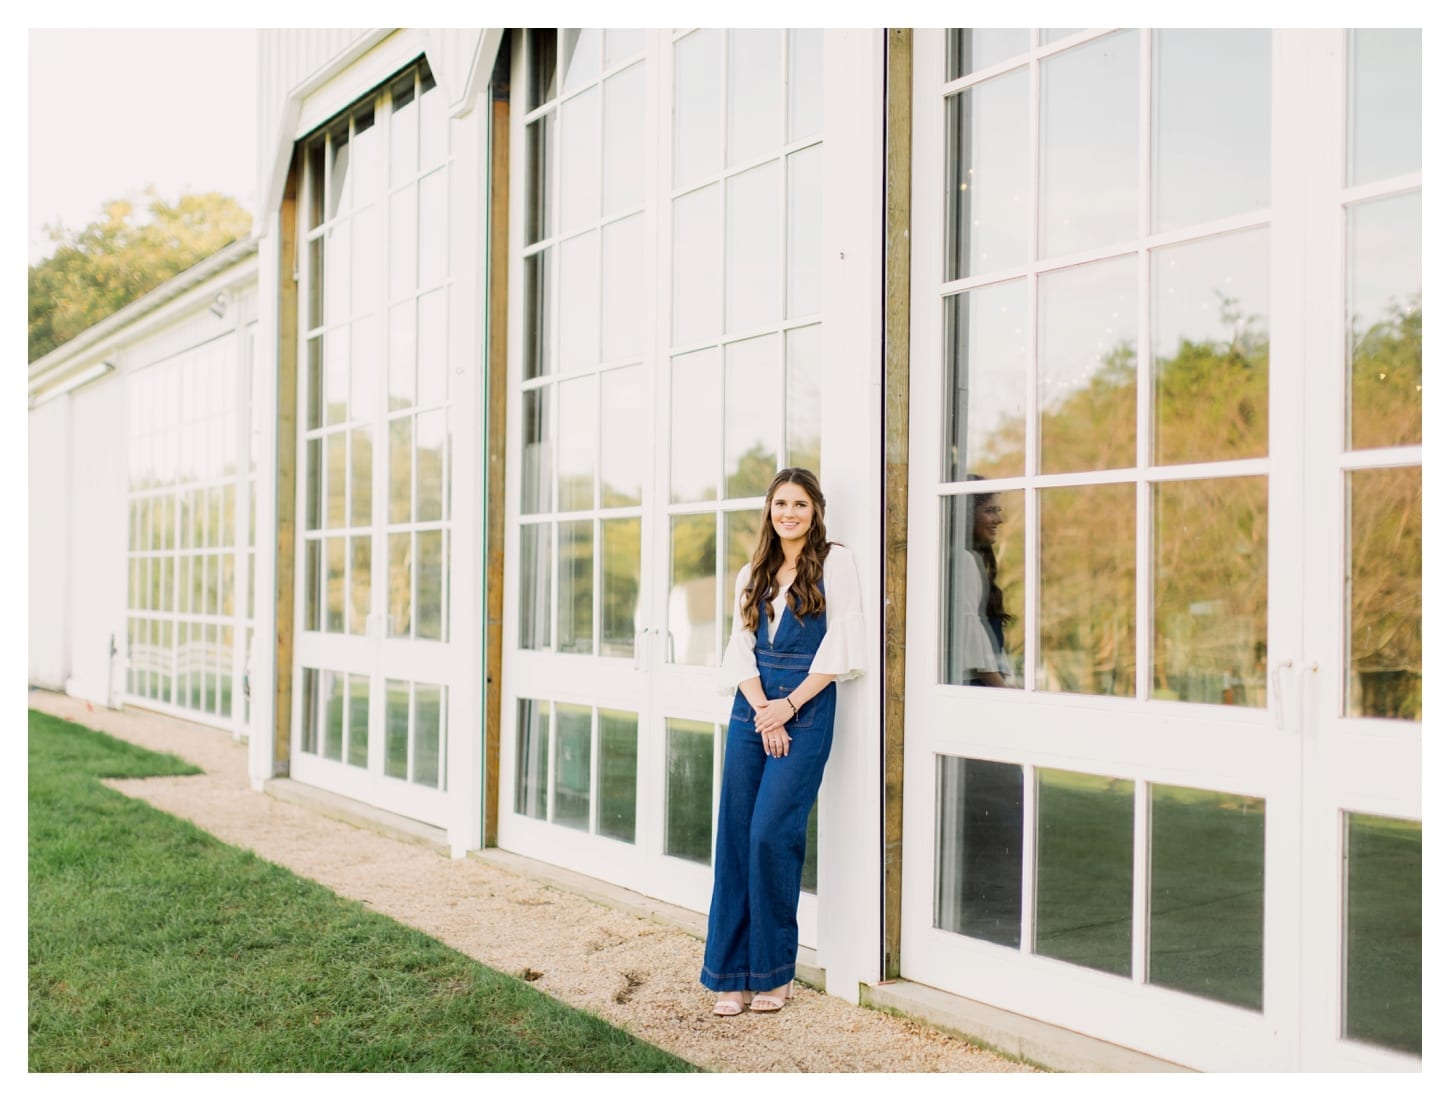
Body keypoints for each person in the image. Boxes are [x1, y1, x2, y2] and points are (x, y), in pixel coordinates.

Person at [701, 467, 866, 1016]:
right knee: (736, 835)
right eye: (780, 504)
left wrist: (787, 709)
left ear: (816, 510)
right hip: (752, 709)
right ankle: (730, 973)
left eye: (799, 504)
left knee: (772, 834)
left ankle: (773, 971)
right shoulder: (753, 571)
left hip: (807, 709)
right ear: (769, 511)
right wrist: (761, 711)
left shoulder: (836, 562)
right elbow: (739, 646)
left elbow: (842, 646)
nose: (789, 513)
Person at [950, 484, 1017, 687]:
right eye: (990, 510)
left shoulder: (974, 560)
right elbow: (978, 660)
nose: (999, 519)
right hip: (979, 689)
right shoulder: (963, 560)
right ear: (966, 515)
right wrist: (1007, 696)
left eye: (998, 510)